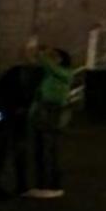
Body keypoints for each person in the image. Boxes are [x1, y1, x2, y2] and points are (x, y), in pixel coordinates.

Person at [0, 55, 40, 200]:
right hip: (11, 115)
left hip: (11, 115)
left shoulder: (17, 73)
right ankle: (8, 185)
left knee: (10, 150)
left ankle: (6, 185)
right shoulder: (25, 75)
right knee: (10, 150)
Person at [26, 48, 76, 199]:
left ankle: (52, 183)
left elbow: (48, 65)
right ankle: (42, 182)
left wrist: (40, 53)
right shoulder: (51, 74)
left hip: (53, 111)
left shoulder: (65, 73)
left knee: (49, 147)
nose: (51, 59)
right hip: (44, 110)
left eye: (55, 56)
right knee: (40, 147)